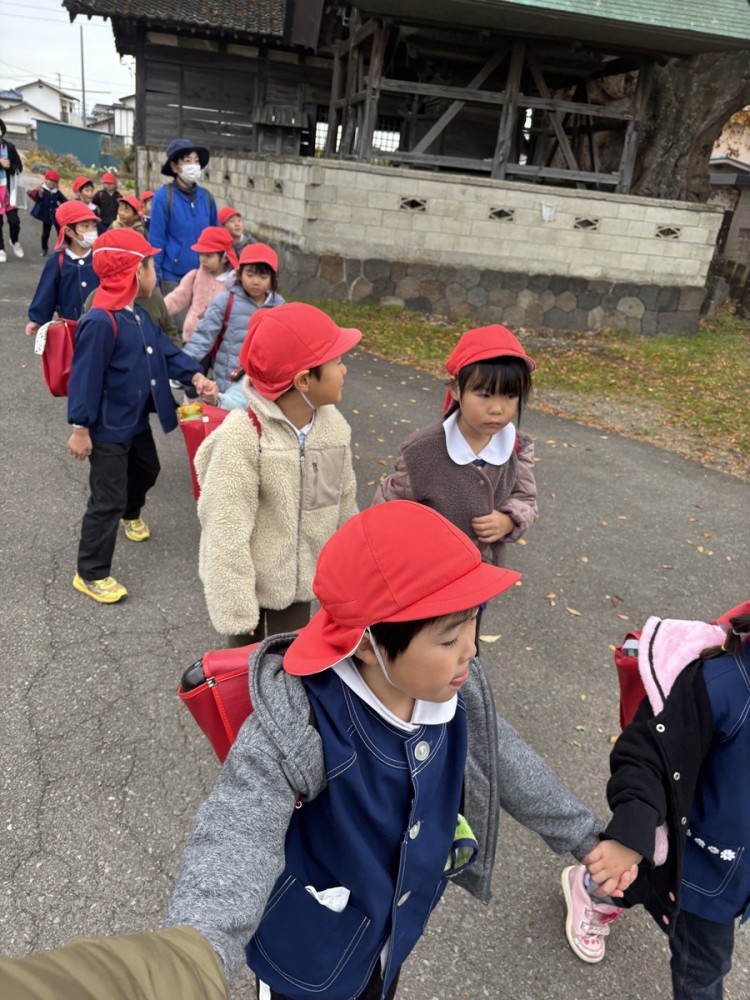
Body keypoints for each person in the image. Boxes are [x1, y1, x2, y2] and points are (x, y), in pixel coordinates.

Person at [0, 502, 636, 1000]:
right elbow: (236, 831)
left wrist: (585, 838)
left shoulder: (454, 687)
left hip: (392, 927)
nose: (471, 649)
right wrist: (197, 953)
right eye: (449, 637)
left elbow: (504, 758)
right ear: (369, 645)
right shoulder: (299, 718)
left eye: (474, 623)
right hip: (308, 950)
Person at [563, 609, 750, 1000]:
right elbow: (647, 754)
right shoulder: (722, 684)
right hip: (701, 873)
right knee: (702, 972)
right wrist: (632, 831)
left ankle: (596, 884)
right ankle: (593, 886)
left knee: (634, 881)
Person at [67, 229, 216, 604]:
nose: (155, 273)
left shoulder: (137, 314)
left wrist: (194, 375)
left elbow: (166, 352)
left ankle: (129, 511)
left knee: (148, 469)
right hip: (106, 429)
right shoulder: (101, 320)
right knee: (106, 499)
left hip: (134, 421)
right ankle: (91, 572)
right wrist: (80, 428)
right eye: (151, 266)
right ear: (135, 271)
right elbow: (84, 378)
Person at [194, 302, 358, 643]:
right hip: (249, 586)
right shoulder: (244, 436)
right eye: (338, 362)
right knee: (246, 665)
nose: (345, 370)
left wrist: (351, 576)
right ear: (304, 381)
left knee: (293, 660)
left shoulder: (333, 430)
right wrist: (236, 605)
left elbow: (341, 505)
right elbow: (225, 528)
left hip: (302, 584)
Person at [373, 325, 537, 570]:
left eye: (510, 396)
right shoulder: (421, 451)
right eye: (484, 395)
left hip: (484, 573)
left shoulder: (516, 448)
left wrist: (509, 520)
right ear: (456, 390)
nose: (497, 409)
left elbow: (525, 499)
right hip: (429, 572)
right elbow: (389, 507)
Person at [182, 243, 284, 394]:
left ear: (273, 278)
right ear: (239, 274)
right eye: (250, 275)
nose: (256, 281)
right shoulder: (225, 300)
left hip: (263, 384)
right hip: (228, 380)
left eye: (263, 276)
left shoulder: (280, 307)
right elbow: (202, 337)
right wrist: (180, 364)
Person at [148, 138, 218, 300]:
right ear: (174, 167)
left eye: (196, 161)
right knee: (177, 316)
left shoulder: (206, 197)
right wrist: (154, 279)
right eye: (187, 161)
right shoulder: (163, 197)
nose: (193, 165)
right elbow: (156, 241)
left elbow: (217, 237)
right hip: (173, 277)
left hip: (203, 274)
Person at [24, 202, 100, 338]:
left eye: (94, 226)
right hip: (70, 327)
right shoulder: (58, 260)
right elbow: (47, 290)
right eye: (85, 226)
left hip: (100, 326)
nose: (92, 231)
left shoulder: (100, 257)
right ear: (69, 231)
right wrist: (37, 319)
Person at [163, 225, 237, 343]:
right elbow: (178, 297)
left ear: (224, 258)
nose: (203, 260)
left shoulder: (234, 283)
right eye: (201, 254)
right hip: (191, 338)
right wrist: (159, 310)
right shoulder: (195, 276)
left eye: (209, 256)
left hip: (219, 342)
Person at [0, 117, 24, 263]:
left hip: (9, 191)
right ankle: (1, 249)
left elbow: (19, 168)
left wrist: (9, 167)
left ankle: (14, 241)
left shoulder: (9, 147)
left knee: (14, 221)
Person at [28, 169, 66, 256]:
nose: (52, 183)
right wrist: (40, 194)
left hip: (56, 215)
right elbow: (37, 199)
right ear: (46, 180)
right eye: (51, 180)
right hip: (46, 216)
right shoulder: (42, 189)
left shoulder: (56, 192)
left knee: (60, 231)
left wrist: (64, 207)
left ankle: (61, 248)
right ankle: (44, 248)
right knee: (46, 233)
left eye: (55, 182)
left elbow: (64, 201)